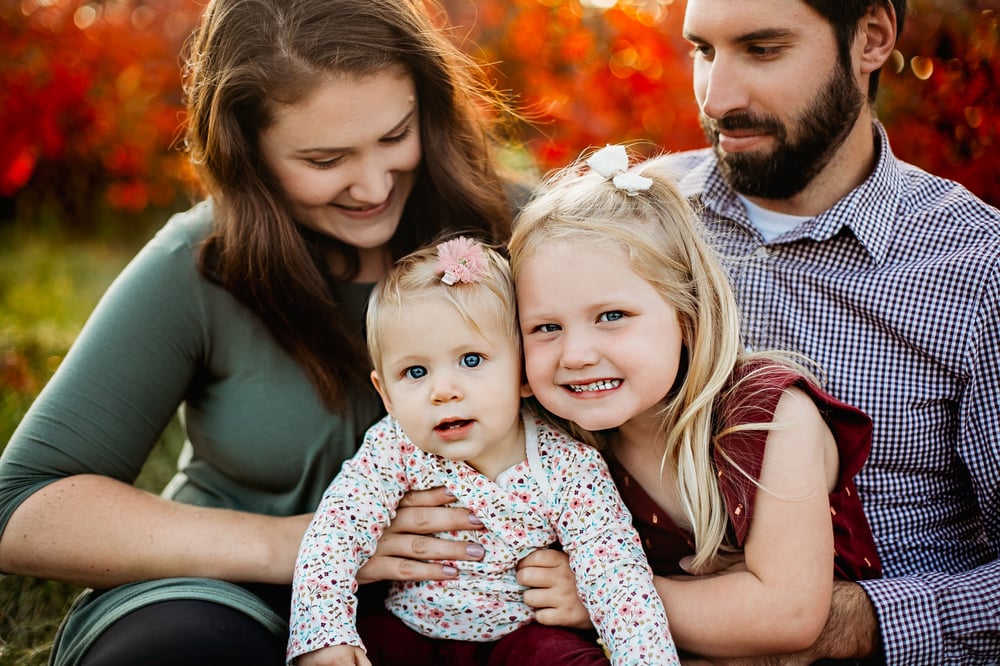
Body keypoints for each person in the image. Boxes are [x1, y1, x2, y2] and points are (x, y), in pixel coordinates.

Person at [0, 0, 523, 663]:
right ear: (248, 151)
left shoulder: (523, 233)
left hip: (485, 610)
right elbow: (23, 508)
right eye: (325, 158)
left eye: (396, 137)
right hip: (225, 598)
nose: (372, 184)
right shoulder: (199, 263)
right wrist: (298, 543)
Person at [516, 1, 1000, 663]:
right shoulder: (632, 219)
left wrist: (859, 621)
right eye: (702, 51)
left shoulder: (975, 269)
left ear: (873, 38)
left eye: (762, 49)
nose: (717, 96)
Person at [499, 144, 881, 662]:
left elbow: (789, 613)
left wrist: (601, 597)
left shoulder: (767, 418)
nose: (577, 354)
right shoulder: (551, 437)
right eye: (546, 327)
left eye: (612, 316)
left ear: (687, 316)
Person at [287, 237, 678, 666]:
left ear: (523, 373)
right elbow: (334, 536)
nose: (444, 391)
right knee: (359, 647)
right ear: (387, 395)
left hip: (523, 636)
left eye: (471, 360)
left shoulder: (567, 467)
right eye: (415, 372)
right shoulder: (393, 448)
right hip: (410, 628)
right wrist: (325, 634)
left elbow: (616, 577)